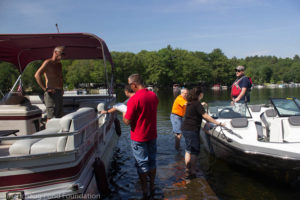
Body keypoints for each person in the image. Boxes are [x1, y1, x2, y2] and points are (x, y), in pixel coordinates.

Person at [123, 74, 159, 199]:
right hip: (152, 134)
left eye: (130, 85)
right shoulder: (154, 95)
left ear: (134, 85)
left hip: (139, 136)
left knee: (142, 164)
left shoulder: (134, 99)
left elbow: (127, 121)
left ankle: (144, 189)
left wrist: (123, 113)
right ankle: (152, 186)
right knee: (152, 161)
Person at [181, 87, 224, 179]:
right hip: (192, 129)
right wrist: (218, 123)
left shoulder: (190, 102)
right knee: (195, 151)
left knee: (188, 149)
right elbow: (205, 116)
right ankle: (193, 171)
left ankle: (188, 169)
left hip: (185, 128)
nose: (203, 95)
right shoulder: (197, 104)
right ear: (199, 94)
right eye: (202, 93)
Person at [34, 46, 65, 120]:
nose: (63, 56)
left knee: (59, 116)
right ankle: (49, 131)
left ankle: (58, 131)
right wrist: (45, 89)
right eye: (62, 53)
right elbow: (37, 75)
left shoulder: (59, 64)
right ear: (55, 52)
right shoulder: (48, 62)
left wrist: (62, 89)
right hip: (51, 92)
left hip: (59, 92)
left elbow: (60, 78)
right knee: (50, 117)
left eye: (64, 54)